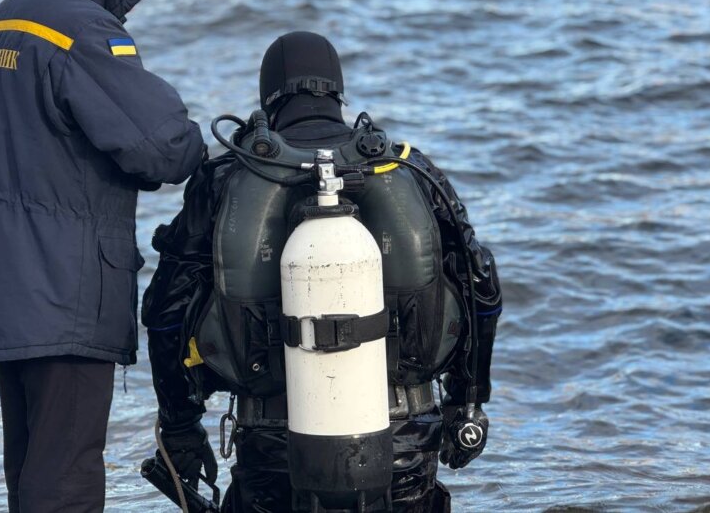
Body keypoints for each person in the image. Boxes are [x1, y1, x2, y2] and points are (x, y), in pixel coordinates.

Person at [142, 31, 502, 512]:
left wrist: (181, 427)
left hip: (273, 444)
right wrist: (467, 401)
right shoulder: (406, 167)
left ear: (269, 100)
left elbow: (168, 310)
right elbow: (482, 290)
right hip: (405, 443)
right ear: (337, 93)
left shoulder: (227, 175)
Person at [0, 0, 205, 512]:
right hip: (65, 288)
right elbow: (161, 148)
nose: (130, 5)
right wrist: (209, 146)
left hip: (1, 285)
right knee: (66, 473)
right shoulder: (82, 31)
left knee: (30, 464)